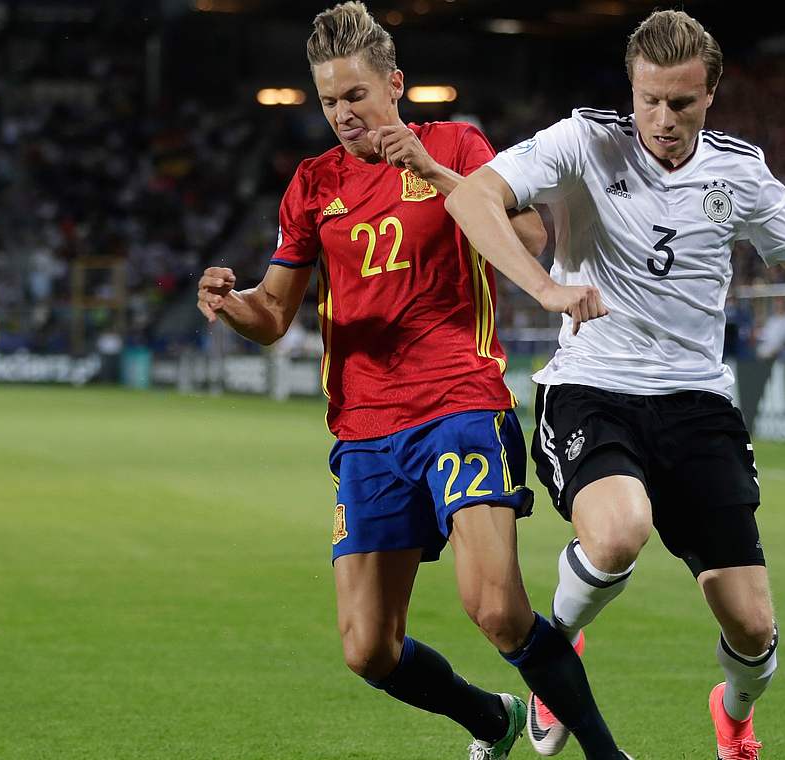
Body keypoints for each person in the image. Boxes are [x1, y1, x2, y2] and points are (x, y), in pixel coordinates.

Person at [446, 10, 785, 760]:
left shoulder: (740, 172)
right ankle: (551, 656)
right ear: (631, 88)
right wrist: (545, 288)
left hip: (697, 405)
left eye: (681, 103)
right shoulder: (581, 140)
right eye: (648, 99)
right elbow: (472, 198)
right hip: (593, 386)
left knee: (753, 627)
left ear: (710, 96)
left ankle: (734, 713)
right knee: (618, 530)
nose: (661, 118)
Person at [195, 4, 629, 759]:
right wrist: (229, 305)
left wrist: (435, 173)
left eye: (355, 96)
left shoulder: (456, 144)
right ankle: (489, 720)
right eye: (328, 101)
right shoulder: (312, 185)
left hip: (460, 403)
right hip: (365, 431)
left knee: (494, 609)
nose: (341, 114)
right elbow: (271, 316)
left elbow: (529, 240)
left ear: (394, 86)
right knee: (367, 648)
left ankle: (603, 752)